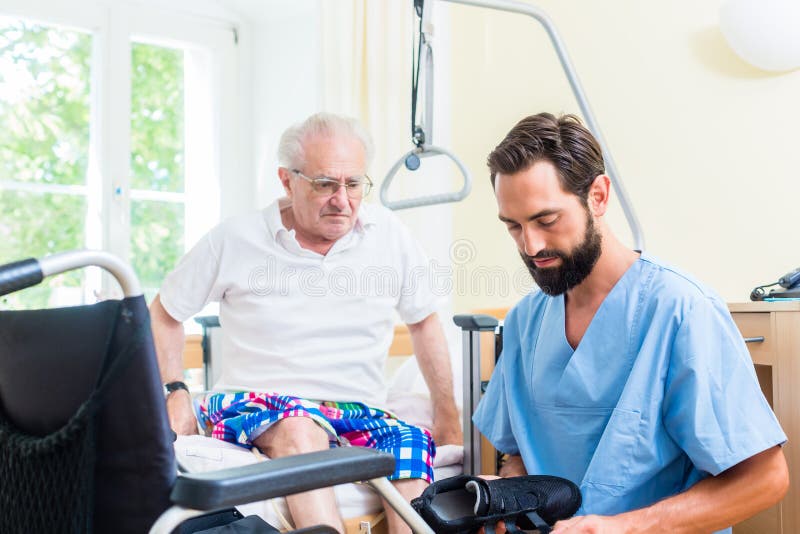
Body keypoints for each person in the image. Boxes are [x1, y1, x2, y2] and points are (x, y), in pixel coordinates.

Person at [472, 112, 788, 533]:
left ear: (598, 196)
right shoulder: (525, 322)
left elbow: (765, 480)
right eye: (513, 226)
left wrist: (625, 527)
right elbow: (523, 456)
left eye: (546, 220)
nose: (531, 246)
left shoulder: (682, 312)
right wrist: (504, 498)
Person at [149, 112, 462, 534]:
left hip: (358, 410)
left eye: (353, 184)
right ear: (286, 180)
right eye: (325, 184)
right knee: (302, 428)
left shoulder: (390, 235)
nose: (342, 200)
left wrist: (446, 416)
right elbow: (165, 313)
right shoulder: (235, 238)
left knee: (408, 442)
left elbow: (424, 322)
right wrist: (175, 391)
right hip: (255, 402)